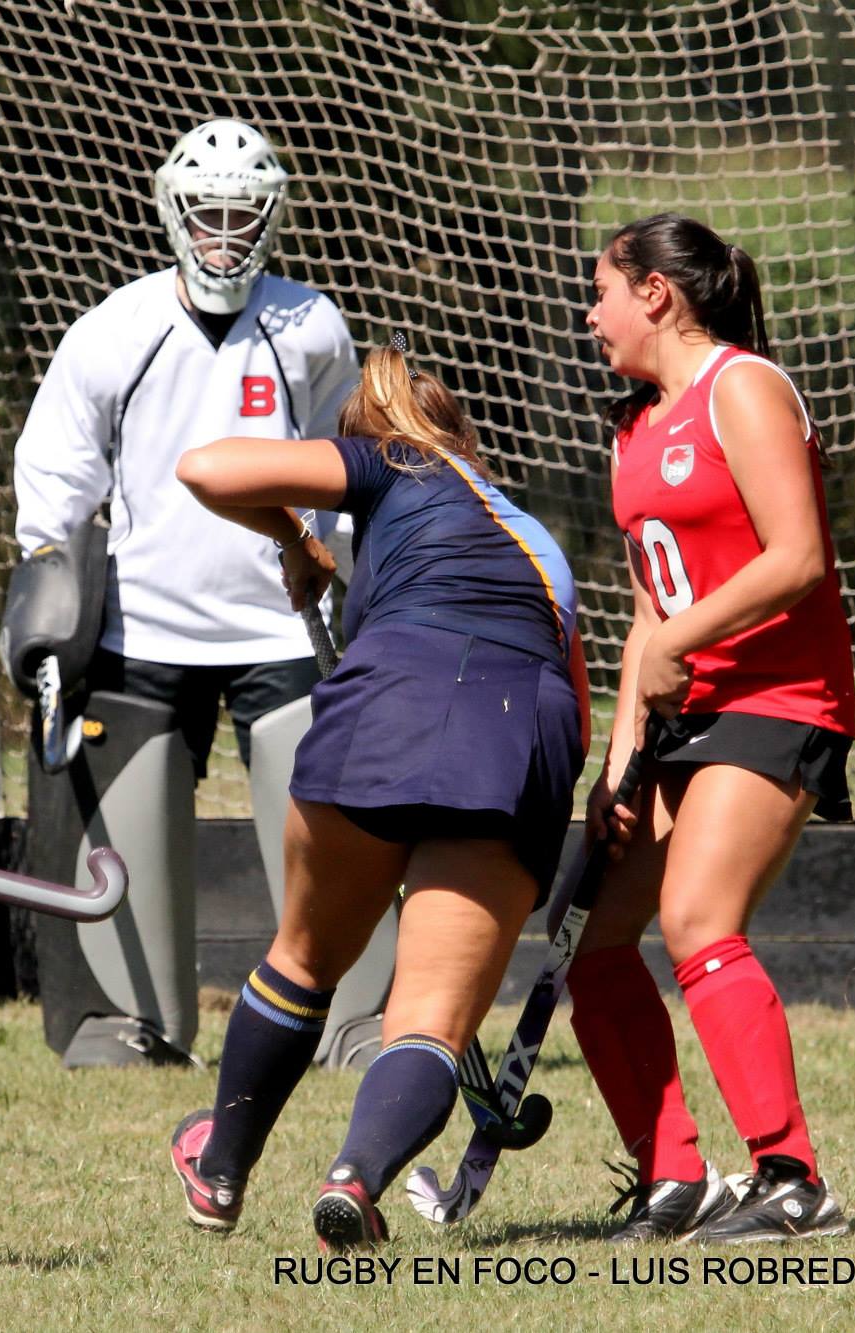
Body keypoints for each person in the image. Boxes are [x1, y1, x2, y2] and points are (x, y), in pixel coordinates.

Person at [165, 339, 589, 1250]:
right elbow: (575, 706)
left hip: (392, 694)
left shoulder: (391, 459)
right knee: (431, 1018)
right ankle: (355, 1177)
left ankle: (222, 1165)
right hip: (526, 728)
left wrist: (297, 536)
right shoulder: (540, 544)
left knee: (303, 962)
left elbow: (206, 467)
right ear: (468, 435)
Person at [10, 117, 369, 1068]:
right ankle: (125, 1023)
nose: (224, 232)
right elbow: (56, 482)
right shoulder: (113, 332)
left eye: (242, 214)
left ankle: (362, 1023)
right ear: (175, 214)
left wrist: (352, 585)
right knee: (120, 840)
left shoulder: (312, 327)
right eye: (207, 213)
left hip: (286, 632)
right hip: (142, 633)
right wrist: (48, 603)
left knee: (337, 830)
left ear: (271, 217)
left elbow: (353, 465)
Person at [571, 212, 855, 1243]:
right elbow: (652, 608)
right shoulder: (633, 427)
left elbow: (796, 557)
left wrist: (675, 641)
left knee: (696, 919)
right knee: (592, 944)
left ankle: (790, 1179)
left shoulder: (742, 388)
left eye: (601, 292)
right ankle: (672, 1181)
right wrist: (615, 770)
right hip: (682, 716)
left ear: (656, 293)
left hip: (778, 701)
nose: (589, 314)